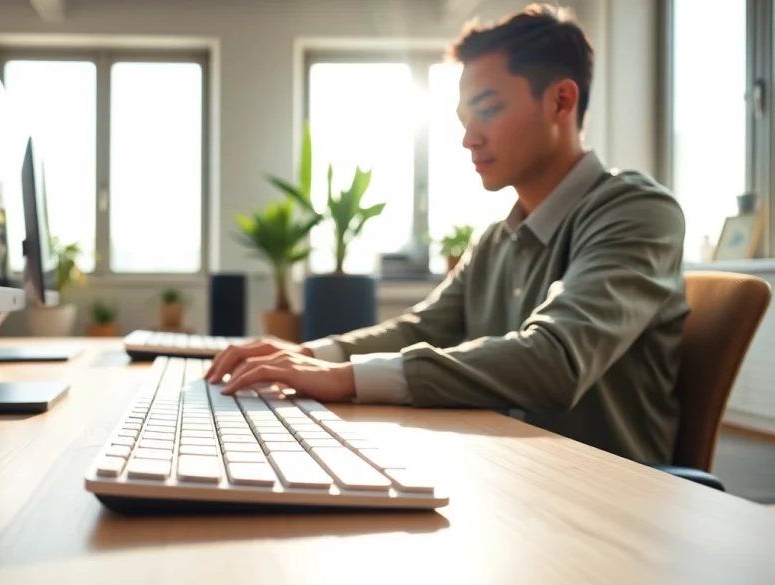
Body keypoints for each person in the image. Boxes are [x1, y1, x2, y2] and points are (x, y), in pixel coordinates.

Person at [205, 3, 689, 465]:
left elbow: (555, 359)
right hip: (503, 475)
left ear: (561, 100)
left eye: (489, 109)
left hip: (604, 504)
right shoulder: (497, 238)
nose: (468, 138)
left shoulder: (636, 211)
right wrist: (308, 355)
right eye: (464, 119)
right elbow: (420, 328)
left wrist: (344, 377)